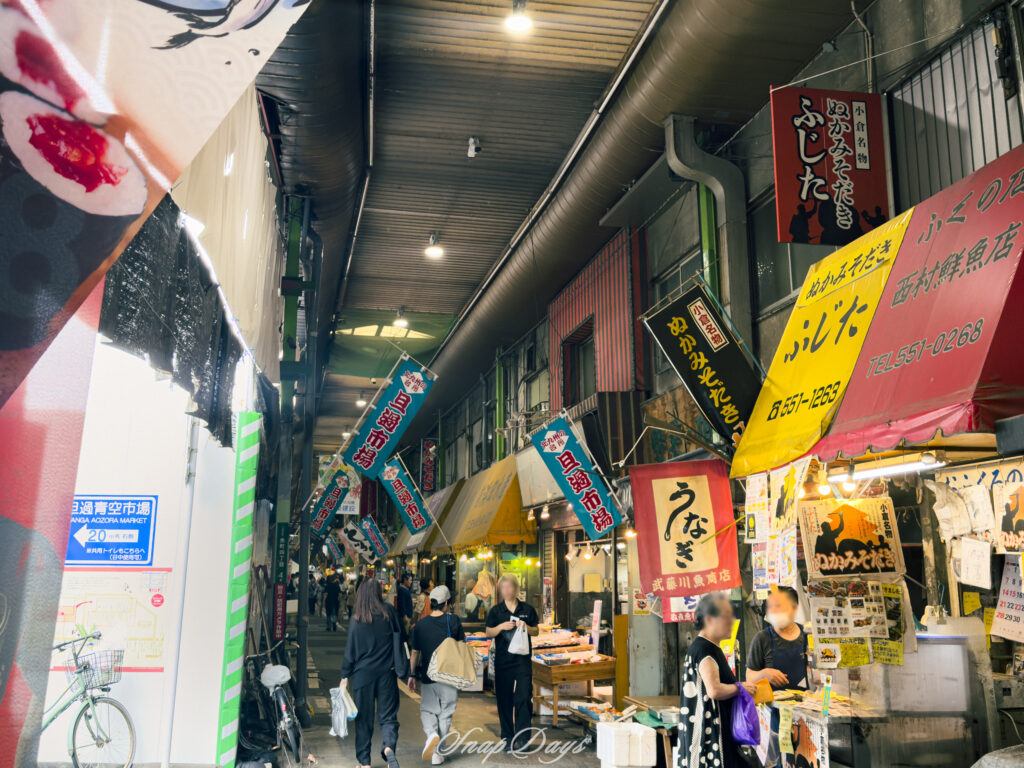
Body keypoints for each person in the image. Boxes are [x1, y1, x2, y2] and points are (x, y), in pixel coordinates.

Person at [678, 594, 757, 768]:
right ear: (709, 619)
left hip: (713, 732)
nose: (732, 621)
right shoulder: (705, 649)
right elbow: (714, 690)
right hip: (710, 736)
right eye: (726, 616)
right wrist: (740, 688)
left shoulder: (708, 647)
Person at [340, 579, 408, 768]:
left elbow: (350, 651)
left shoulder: (357, 618)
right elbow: (401, 637)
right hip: (387, 673)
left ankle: (364, 763)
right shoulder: (388, 613)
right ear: (379, 593)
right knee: (388, 717)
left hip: (363, 676)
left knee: (364, 719)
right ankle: (389, 749)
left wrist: (344, 675)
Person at [745, 587, 809, 768]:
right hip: (775, 717)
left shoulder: (808, 635)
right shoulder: (762, 638)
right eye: (770, 607)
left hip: (806, 716)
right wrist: (765, 674)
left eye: (778, 606)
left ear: (794, 608)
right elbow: (749, 677)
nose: (773, 611)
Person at [409, 585, 465, 765]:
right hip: (449, 676)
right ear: (446, 603)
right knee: (446, 714)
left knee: (428, 709)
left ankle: (431, 734)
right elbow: (462, 648)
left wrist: (411, 675)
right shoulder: (454, 621)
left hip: (428, 676)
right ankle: (438, 752)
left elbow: (415, 653)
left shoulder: (421, 625)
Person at [485, 573, 538, 752]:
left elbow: (536, 631)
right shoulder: (496, 611)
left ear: (516, 589)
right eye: (504, 588)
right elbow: (488, 632)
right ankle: (507, 737)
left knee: (523, 697)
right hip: (503, 661)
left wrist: (527, 627)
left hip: (523, 661)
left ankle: (523, 738)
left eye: (510, 587)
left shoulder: (528, 609)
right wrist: (500, 627)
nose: (507, 591)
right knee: (504, 699)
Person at [396, 572, 414, 638]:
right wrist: (404, 616)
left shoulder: (405, 589)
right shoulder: (402, 590)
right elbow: (401, 604)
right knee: (405, 634)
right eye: (410, 580)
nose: (411, 582)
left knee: (408, 632)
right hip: (406, 617)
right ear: (405, 580)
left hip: (408, 615)